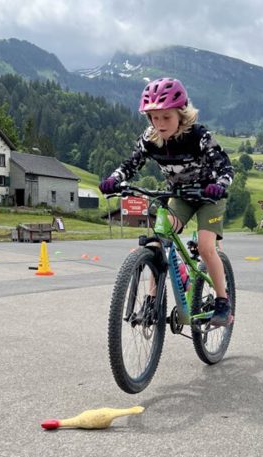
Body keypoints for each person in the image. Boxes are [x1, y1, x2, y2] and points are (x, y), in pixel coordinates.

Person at [99, 77, 235, 327]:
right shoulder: (150, 138)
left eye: (166, 117)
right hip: (180, 196)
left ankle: (223, 302)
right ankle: (152, 300)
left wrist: (220, 186)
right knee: (160, 238)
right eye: (154, 117)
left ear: (181, 115)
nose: (160, 124)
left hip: (209, 197)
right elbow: (130, 165)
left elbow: (226, 168)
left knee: (206, 247)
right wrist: (114, 179)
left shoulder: (199, 136)